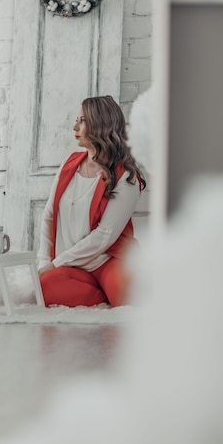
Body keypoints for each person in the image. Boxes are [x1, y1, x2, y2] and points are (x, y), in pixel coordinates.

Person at [38, 95, 146, 308]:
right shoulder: (68, 164)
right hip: (73, 265)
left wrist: (58, 263)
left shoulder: (126, 176)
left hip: (107, 261)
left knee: (129, 300)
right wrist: (44, 263)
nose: (74, 126)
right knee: (44, 287)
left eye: (82, 120)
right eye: (76, 120)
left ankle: (111, 291)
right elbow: (49, 216)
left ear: (101, 124)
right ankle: (101, 298)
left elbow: (105, 235)